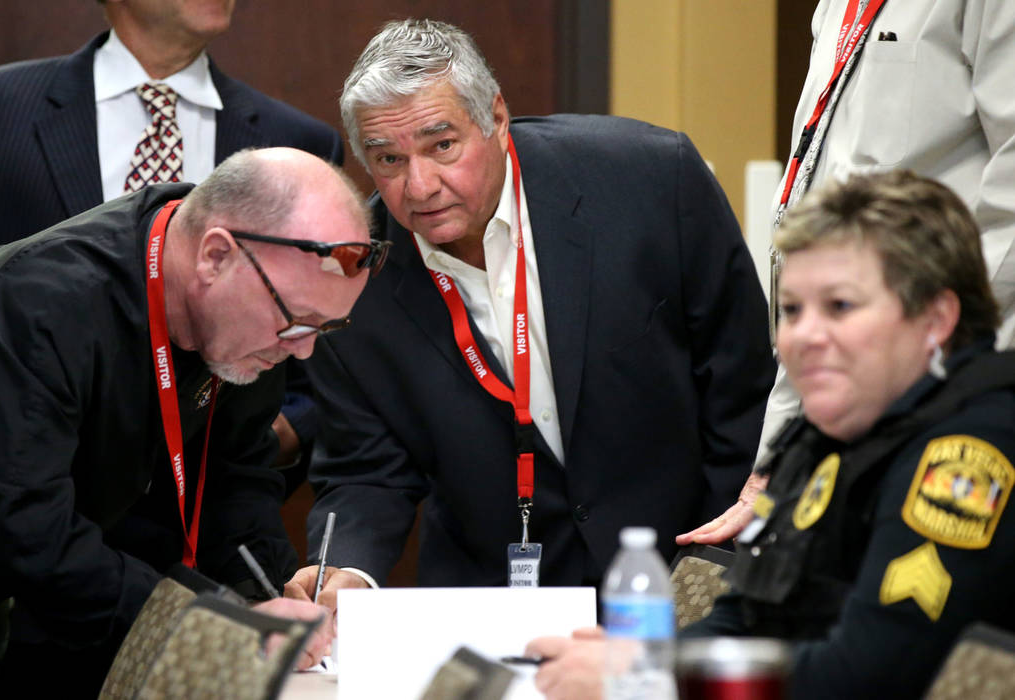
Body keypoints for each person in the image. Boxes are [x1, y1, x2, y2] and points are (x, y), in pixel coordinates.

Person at [285, 19, 774, 609]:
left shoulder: (648, 178)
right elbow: (365, 470)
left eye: (443, 146)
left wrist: (717, 565)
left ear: (494, 116)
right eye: (388, 159)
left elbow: (740, 387)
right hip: (493, 603)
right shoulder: (353, 283)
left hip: (682, 566)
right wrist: (346, 569)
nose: (419, 186)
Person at [527, 170, 1015, 699]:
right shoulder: (829, 435)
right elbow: (749, 613)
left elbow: (875, 674)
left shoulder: (968, 450)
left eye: (840, 307)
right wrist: (646, 660)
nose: (802, 337)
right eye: (791, 310)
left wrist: (648, 678)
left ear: (936, 317)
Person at [0, 147, 384, 697]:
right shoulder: (35, 309)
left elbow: (235, 470)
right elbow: (21, 535)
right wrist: (214, 622)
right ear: (214, 256)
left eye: (323, 329)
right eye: (295, 323)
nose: (301, 353)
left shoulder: (249, 320)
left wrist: (259, 595)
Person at [678, 0, 1015, 548]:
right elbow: (818, 260)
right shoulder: (837, 6)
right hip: (860, 391)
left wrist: (954, 367)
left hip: (948, 392)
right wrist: (774, 464)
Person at [0, 0, 344, 470]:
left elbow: (313, 363)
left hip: (204, 502)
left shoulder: (297, 144)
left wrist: (279, 433)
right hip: (20, 477)